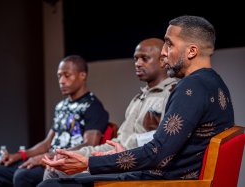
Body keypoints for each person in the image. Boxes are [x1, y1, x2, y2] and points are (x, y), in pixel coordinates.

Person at [37, 15, 235, 187]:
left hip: (168, 182)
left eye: (169, 44)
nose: (164, 52)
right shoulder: (215, 83)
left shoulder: (190, 88)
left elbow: (157, 153)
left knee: (51, 184)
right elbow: (167, 149)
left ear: (192, 51)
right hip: (170, 175)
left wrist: (88, 163)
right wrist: (123, 155)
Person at [42, 38, 178, 180]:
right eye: (136, 59)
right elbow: (119, 143)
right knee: (56, 167)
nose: (138, 64)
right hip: (117, 158)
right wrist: (76, 154)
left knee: (51, 177)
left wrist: (101, 160)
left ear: (162, 60)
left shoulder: (172, 94)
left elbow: (164, 144)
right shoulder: (138, 98)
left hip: (136, 165)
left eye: (144, 58)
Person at [0, 55, 109, 187]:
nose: (61, 81)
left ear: (82, 75)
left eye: (67, 75)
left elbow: (89, 144)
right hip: (48, 158)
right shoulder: (61, 106)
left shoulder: (93, 107)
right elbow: (46, 143)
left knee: (22, 176)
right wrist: (20, 155)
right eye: (59, 76)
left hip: (63, 164)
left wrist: (47, 157)